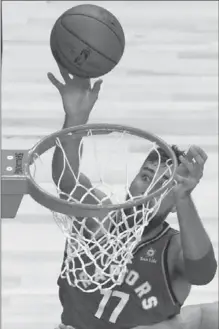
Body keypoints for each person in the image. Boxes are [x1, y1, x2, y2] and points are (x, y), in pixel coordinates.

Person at [48, 66, 218, 329]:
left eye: (164, 185)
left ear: (174, 204)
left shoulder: (171, 249)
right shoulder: (98, 216)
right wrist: (75, 118)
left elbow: (203, 272)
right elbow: (66, 179)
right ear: (132, 181)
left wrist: (184, 198)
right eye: (146, 177)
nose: (150, 189)